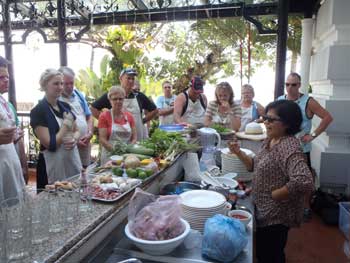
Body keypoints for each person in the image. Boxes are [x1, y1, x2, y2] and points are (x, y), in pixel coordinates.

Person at [228, 100, 314, 263]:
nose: (265, 122)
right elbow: (254, 165)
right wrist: (238, 152)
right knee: (263, 252)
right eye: (265, 117)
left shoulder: (289, 146)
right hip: (263, 210)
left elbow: (304, 180)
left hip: (276, 216)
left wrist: (275, 195)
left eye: (270, 119)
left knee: (271, 255)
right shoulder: (271, 140)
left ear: (287, 124)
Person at [278, 72, 333, 220]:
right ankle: (287, 207)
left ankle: (305, 208)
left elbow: (327, 117)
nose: (290, 88)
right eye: (287, 84)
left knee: (304, 181)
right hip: (282, 148)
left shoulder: (308, 101)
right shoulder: (280, 100)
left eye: (294, 84)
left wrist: (313, 135)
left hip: (301, 150)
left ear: (299, 85)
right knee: (283, 178)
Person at [30, 69, 82, 189]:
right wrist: (65, 126)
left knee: (74, 194)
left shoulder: (65, 107)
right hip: (51, 165)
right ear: (44, 86)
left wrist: (74, 139)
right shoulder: (38, 111)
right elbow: (51, 144)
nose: (60, 87)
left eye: (61, 83)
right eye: (56, 83)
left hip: (71, 161)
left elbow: (77, 130)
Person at [90, 68, 157, 141]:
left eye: (132, 79)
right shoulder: (113, 94)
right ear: (121, 79)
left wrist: (142, 121)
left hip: (136, 138)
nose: (131, 81)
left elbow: (154, 110)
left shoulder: (139, 96)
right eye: (128, 78)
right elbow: (93, 108)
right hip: (117, 139)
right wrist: (106, 121)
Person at [0, 56, 25, 201]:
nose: (6, 80)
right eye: (1, 77)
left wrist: (23, 165)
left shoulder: (4, 102)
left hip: (9, 164)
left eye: (7, 77)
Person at [58, 66, 94, 168]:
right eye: (66, 84)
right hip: (69, 146)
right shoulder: (56, 99)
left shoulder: (78, 94)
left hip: (85, 144)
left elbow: (89, 116)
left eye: (71, 83)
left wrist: (90, 133)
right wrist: (75, 140)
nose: (69, 86)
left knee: (84, 172)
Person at [98, 86, 137, 165]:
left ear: (124, 99)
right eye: (115, 99)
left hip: (126, 157)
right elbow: (102, 139)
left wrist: (128, 150)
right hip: (109, 157)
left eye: (120, 99)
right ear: (110, 100)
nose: (118, 101)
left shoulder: (129, 116)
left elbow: (134, 137)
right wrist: (115, 152)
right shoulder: (104, 116)